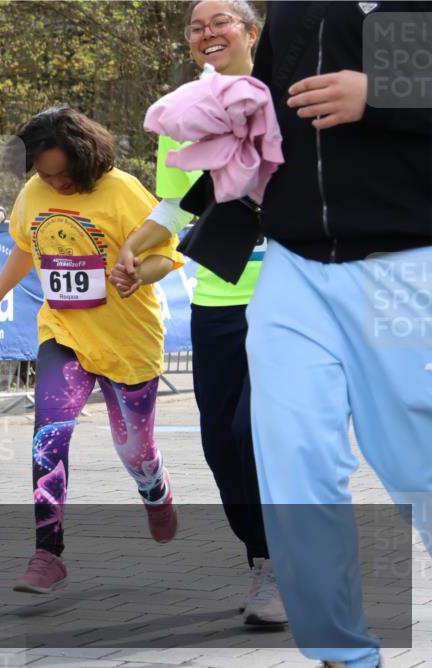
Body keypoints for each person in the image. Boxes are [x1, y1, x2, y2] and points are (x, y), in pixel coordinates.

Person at [241, 2, 432, 666]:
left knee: (419, 465)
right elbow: (263, 108)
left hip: (405, 263)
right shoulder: (292, 6)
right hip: (293, 265)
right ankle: (341, 654)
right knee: (294, 460)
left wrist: (379, 94)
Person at [110, 0, 285, 627]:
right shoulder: (184, 114)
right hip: (217, 302)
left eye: (222, 22)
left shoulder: (287, 98)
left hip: (289, 300)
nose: (208, 33)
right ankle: (263, 564)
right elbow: (176, 208)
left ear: (253, 32)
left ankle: (290, 559)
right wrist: (132, 249)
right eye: (196, 26)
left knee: (251, 435)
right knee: (218, 444)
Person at [0, 106, 182, 594]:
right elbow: (27, 244)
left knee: (137, 451)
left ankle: (155, 490)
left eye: (62, 175)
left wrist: (136, 273)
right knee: (50, 433)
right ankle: (48, 552)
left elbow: (165, 254)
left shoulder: (123, 190)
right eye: (44, 173)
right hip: (64, 333)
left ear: (85, 159)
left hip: (128, 340)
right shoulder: (34, 191)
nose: (53, 183)